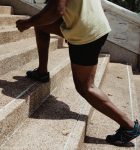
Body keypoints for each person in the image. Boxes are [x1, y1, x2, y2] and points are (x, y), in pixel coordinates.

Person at [16, 0, 140, 146]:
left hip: (85, 33)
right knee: (41, 26)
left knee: (85, 87)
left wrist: (28, 22)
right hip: (95, 26)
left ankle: (129, 126)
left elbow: (56, 10)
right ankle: (42, 72)